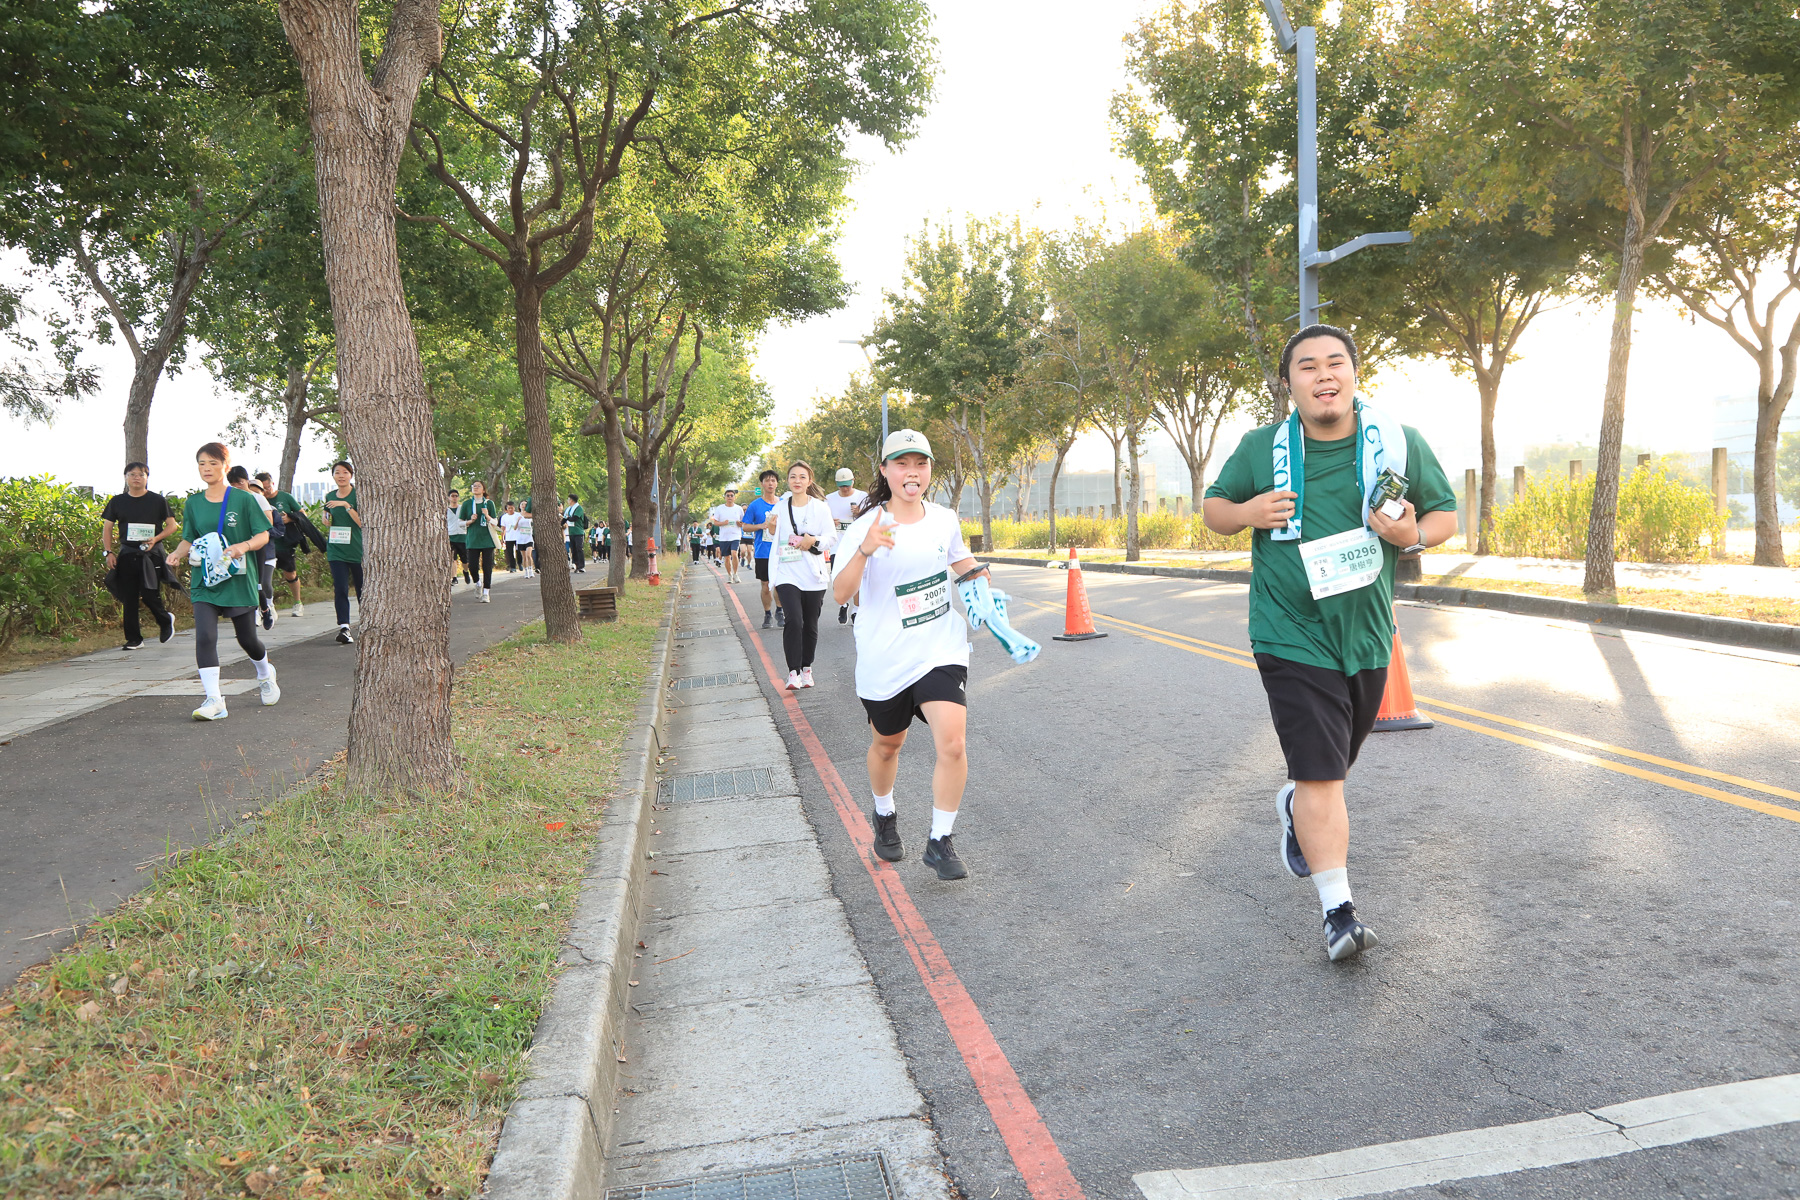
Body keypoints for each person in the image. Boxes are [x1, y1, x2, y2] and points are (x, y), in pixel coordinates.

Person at [1203, 324, 1457, 963]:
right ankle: (1338, 913)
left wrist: (1410, 536)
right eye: (1307, 366)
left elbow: (1445, 517)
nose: (1323, 375)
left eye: (1335, 362)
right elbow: (1214, 509)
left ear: (1353, 373)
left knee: (1334, 765)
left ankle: (1296, 806)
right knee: (1321, 771)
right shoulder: (1261, 448)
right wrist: (1249, 513)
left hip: (1367, 633)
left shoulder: (1397, 443)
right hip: (1288, 630)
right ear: (1288, 384)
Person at [831, 429, 982, 883]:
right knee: (887, 745)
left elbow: (961, 561)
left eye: (920, 463)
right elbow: (841, 593)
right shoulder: (865, 527)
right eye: (902, 463)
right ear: (885, 470)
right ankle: (884, 813)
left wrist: (980, 583)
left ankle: (940, 840)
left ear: (929, 470)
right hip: (885, 655)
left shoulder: (944, 519)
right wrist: (865, 549)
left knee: (953, 743)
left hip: (939, 647)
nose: (912, 472)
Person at [163, 442, 279, 720]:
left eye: (213, 463)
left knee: (247, 639)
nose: (207, 468)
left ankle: (265, 673)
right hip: (205, 580)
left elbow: (264, 534)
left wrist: (243, 546)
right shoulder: (194, 503)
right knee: (205, 636)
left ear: (225, 467)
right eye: (202, 463)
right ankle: (214, 700)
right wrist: (177, 553)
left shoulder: (244, 499)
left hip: (238, 579)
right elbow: (189, 538)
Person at [772, 461, 838, 688]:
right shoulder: (780, 507)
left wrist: (814, 540)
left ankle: (806, 668)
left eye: (802, 477)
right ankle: (793, 672)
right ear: (787, 481)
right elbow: (772, 536)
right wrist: (770, 528)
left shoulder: (820, 507)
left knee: (810, 624)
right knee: (793, 620)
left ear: (809, 481)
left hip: (813, 574)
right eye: (793, 477)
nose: (797, 481)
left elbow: (831, 537)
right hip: (787, 572)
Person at [100, 461, 178, 650]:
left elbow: (172, 526)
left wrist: (155, 539)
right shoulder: (117, 501)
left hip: (152, 554)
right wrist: (108, 552)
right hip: (127, 554)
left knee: (150, 594)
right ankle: (134, 639)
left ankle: (165, 620)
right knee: (129, 597)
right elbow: (107, 528)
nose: (136, 478)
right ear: (126, 478)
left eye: (141, 475)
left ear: (147, 478)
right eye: (132, 474)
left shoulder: (158, 501)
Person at [227, 466, 281, 630]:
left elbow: (268, 523)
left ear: (247, 481)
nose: (237, 487)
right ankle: (250, 615)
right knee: (240, 582)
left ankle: (264, 609)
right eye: (233, 484)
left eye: (240, 483)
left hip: (256, 545)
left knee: (258, 583)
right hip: (237, 547)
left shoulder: (258, 498)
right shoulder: (228, 500)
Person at [323, 460, 364, 644]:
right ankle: (344, 627)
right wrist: (326, 518)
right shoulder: (330, 496)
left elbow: (361, 522)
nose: (341, 476)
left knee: (362, 589)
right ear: (333, 476)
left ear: (351, 475)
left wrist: (346, 505)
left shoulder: (358, 495)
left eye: (345, 472)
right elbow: (327, 518)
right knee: (340, 588)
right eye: (337, 472)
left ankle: (367, 623)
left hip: (356, 549)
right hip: (336, 549)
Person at [256, 472, 308, 616]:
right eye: (263, 489)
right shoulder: (256, 499)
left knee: (290, 574)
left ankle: (297, 603)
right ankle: (264, 606)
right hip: (264, 545)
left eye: (268, 487)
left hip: (284, 543)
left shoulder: (285, 497)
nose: (266, 491)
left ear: (273, 484)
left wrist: (290, 519)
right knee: (263, 579)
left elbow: (303, 514)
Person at [825, 466, 869, 625]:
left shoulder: (863, 496)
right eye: (841, 485)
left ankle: (856, 610)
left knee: (857, 579)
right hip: (837, 546)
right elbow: (822, 521)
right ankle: (843, 604)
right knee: (837, 578)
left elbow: (871, 518)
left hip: (857, 546)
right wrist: (830, 522)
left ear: (853, 481)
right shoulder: (828, 499)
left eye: (847, 485)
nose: (845, 488)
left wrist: (860, 512)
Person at [741, 469, 782, 628]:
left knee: (780, 584)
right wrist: (760, 526)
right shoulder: (755, 505)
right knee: (766, 584)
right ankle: (767, 613)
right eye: (767, 480)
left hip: (781, 551)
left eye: (773, 480)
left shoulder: (783, 503)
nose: (770, 483)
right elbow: (745, 526)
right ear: (762, 484)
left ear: (777, 483)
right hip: (763, 551)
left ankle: (780, 611)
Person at [459, 480, 501, 601]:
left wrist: (487, 516)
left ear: (483, 489)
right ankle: (477, 583)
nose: (475, 487)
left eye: (478, 486)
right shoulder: (467, 504)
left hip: (487, 539)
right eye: (474, 486)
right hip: (473, 539)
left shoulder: (489, 503)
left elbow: (495, 522)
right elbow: (460, 523)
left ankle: (486, 592)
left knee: (487, 566)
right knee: (472, 566)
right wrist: (470, 521)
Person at [708, 486, 745, 583]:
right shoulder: (720, 508)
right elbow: (715, 522)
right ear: (725, 497)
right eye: (728, 495)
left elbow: (743, 522)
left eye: (732, 495)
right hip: (724, 537)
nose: (730, 497)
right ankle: (729, 575)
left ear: (734, 497)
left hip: (735, 535)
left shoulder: (739, 508)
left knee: (734, 553)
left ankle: (736, 574)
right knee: (727, 557)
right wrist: (723, 523)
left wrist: (740, 524)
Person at [447, 488, 470, 585]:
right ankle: (454, 577)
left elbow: (467, 520)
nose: (454, 498)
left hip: (462, 536)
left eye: (456, 496)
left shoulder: (462, 509)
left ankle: (465, 571)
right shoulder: (446, 510)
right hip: (451, 536)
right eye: (452, 496)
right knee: (453, 558)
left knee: (465, 560)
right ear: (448, 498)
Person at [563, 493, 588, 574]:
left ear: (572, 500)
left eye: (568, 499)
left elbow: (574, 518)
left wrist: (567, 518)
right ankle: (577, 565)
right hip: (571, 532)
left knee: (579, 548)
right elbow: (564, 519)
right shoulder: (568, 509)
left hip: (578, 532)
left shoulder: (578, 508)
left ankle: (581, 566)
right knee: (573, 549)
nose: (568, 501)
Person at [514, 503, 535, 576]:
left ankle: (531, 569)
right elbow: (514, 528)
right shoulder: (517, 515)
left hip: (529, 538)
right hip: (520, 539)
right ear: (519, 506)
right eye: (522, 504)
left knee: (528, 555)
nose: (523, 505)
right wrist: (517, 521)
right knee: (524, 557)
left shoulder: (530, 515)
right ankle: (526, 571)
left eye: (525, 504)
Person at [501, 500, 521, 572]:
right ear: (506, 508)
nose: (510, 509)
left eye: (511, 508)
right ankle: (513, 566)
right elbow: (503, 528)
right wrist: (502, 538)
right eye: (509, 508)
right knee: (510, 552)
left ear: (514, 508)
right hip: (509, 537)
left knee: (519, 551)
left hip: (517, 536)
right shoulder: (504, 517)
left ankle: (520, 563)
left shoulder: (518, 515)